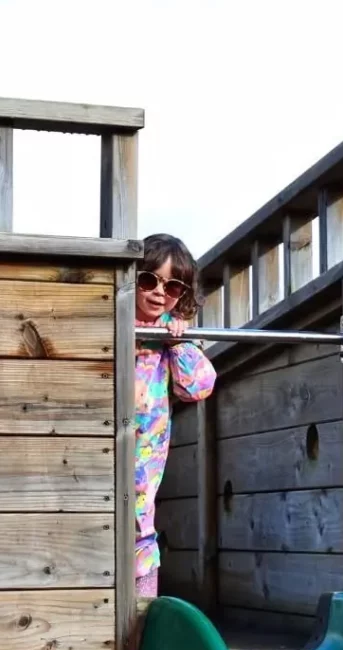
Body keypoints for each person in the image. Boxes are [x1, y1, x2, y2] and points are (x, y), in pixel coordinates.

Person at [134, 233, 216, 599]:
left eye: (172, 287)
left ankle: (142, 605)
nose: (158, 292)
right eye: (149, 280)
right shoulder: (110, 319)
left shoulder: (170, 334)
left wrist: (180, 342)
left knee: (139, 518)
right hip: (100, 437)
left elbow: (198, 386)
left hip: (146, 445)